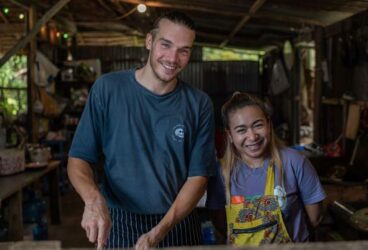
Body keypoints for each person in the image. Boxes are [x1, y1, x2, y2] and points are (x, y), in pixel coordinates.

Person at [67, 11, 215, 249]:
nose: (172, 58)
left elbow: (198, 178)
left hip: (177, 221)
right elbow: (79, 159)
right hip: (119, 221)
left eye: (183, 50)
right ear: (149, 41)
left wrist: (160, 231)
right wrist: (93, 200)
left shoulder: (199, 104)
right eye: (165, 45)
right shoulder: (108, 89)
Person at [206, 92, 326, 246]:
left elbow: (315, 218)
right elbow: (221, 224)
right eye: (241, 130)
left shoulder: (295, 162)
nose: (252, 136)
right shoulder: (221, 173)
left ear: (268, 124)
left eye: (258, 125)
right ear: (230, 135)